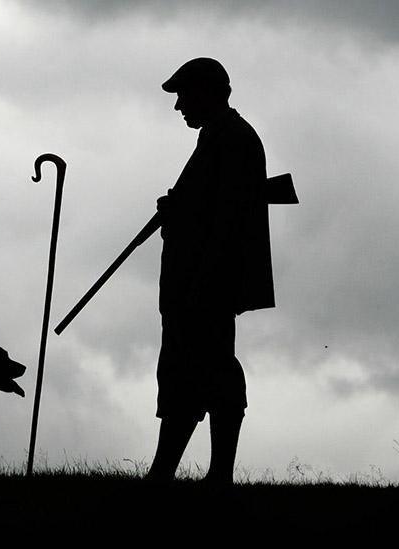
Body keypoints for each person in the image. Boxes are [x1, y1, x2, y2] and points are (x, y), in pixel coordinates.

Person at [146, 58, 274, 485]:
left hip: (204, 284)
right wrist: (178, 209)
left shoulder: (232, 139)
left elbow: (227, 221)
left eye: (184, 95)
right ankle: (170, 472)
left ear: (206, 92)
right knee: (191, 374)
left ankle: (205, 475)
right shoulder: (219, 137)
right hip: (195, 283)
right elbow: (210, 208)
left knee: (207, 373)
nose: (179, 106)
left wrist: (183, 221)